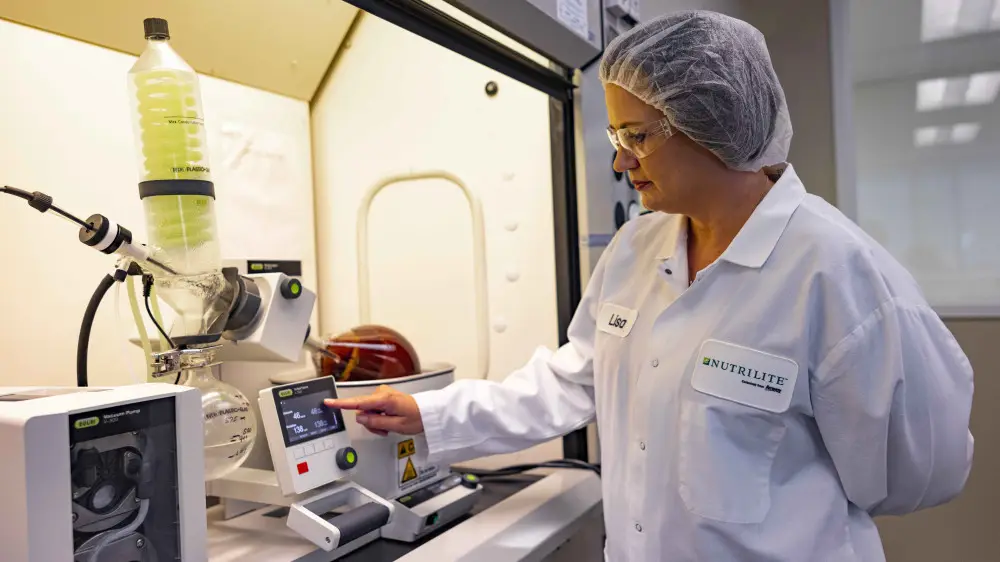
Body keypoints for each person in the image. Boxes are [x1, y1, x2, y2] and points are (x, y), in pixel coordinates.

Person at [326, 10, 974, 561]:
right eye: (616, 135)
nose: (619, 160)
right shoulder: (637, 248)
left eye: (636, 136)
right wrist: (431, 414)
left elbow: (916, 473)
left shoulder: (837, 273)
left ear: (713, 124)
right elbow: (577, 380)